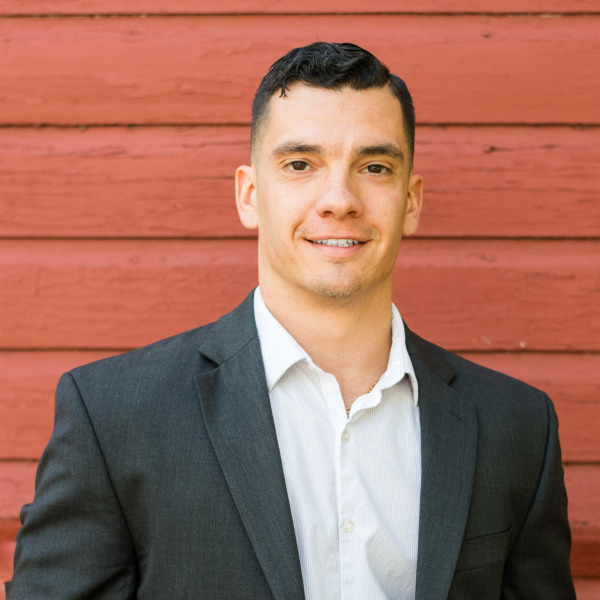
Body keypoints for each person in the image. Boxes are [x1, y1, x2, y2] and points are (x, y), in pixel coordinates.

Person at [6, 42, 575, 600]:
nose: (339, 199)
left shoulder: (515, 426)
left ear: (411, 200)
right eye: (301, 164)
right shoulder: (113, 417)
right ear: (249, 195)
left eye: (375, 167)